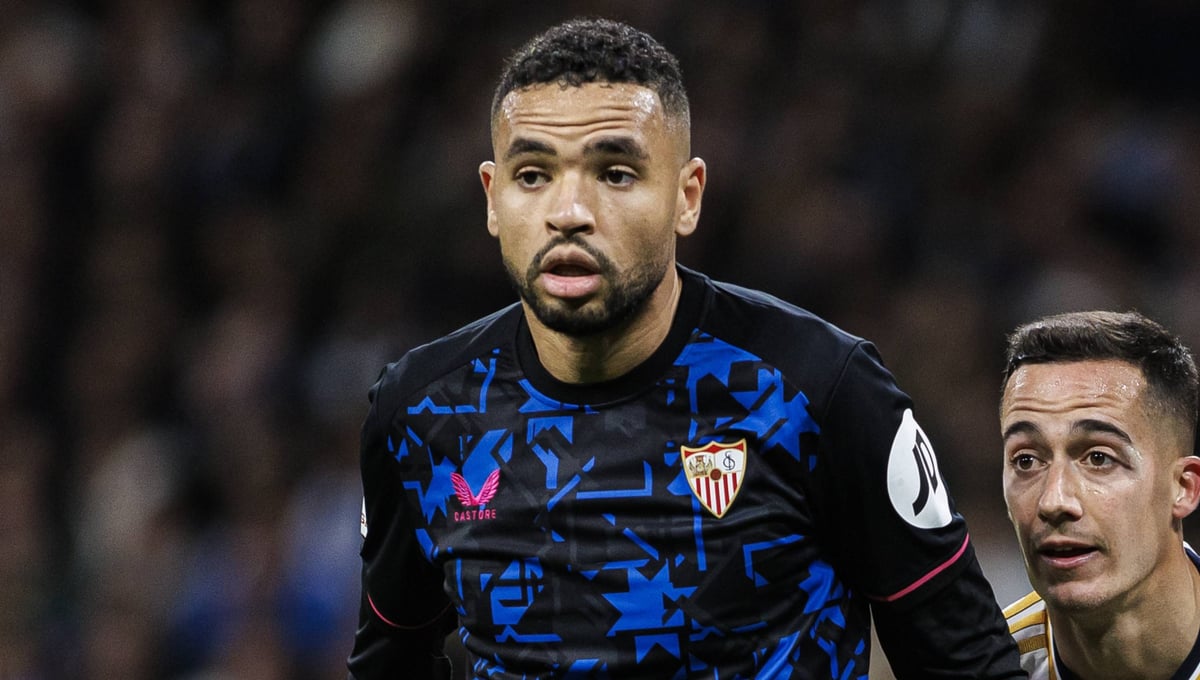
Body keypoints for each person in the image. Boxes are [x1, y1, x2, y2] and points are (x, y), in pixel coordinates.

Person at [348, 17, 1022, 679]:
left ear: (686, 197)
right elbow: (387, 661)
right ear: (493, 199)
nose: (569, 212)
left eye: (615, 173)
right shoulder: (418, 413)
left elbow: (966, 661)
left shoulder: (820, 388)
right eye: (533, 175)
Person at [1000, 310, 1200, 679]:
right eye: (1026, 460)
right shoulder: (988, 666)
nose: (1054, 501)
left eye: (1098, 458)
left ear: (1184, 487)